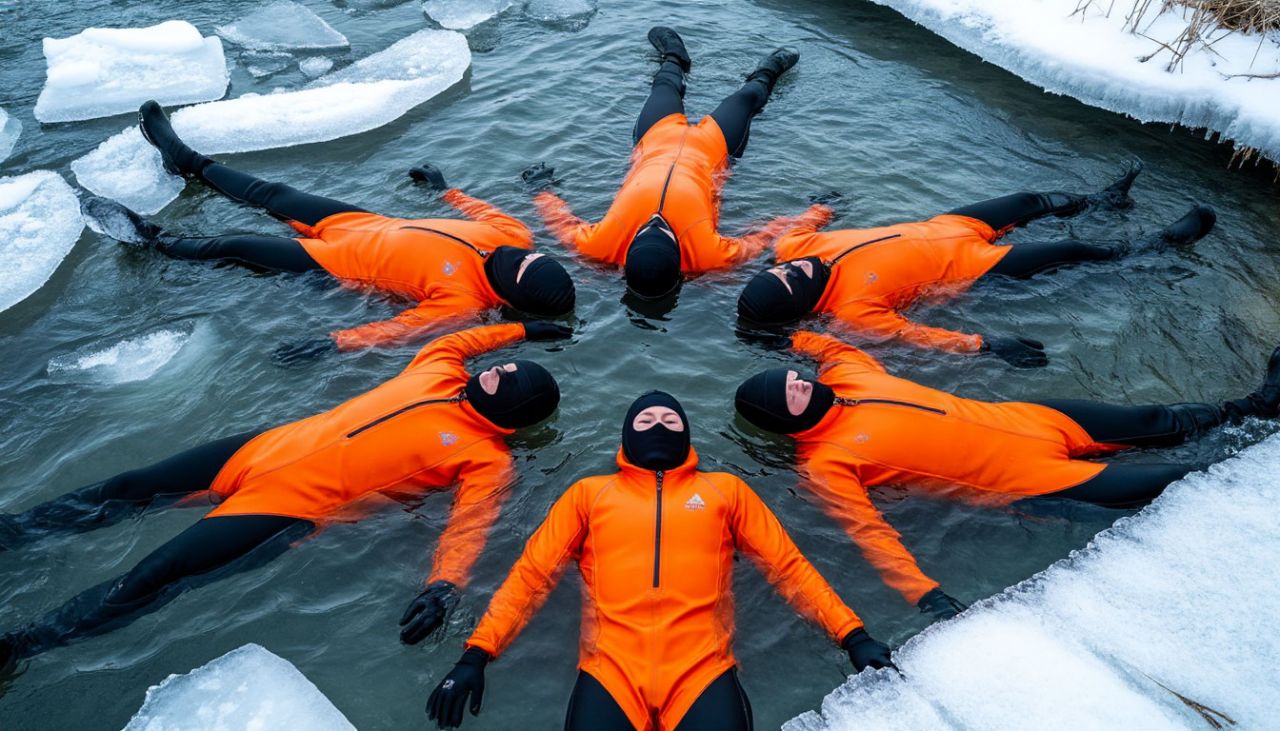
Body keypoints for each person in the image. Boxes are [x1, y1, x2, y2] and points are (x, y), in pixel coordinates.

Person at [0, 323, 570, 675]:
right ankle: (21, 530)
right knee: (129, 486)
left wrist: (444, 586)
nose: (496, 371)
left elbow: (470, 525)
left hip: (287, 508)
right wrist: (522, 330)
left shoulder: (486, 458)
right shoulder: (439, 372)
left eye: (508, 379)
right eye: (502, 367)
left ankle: (24, 645)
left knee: (156, 572)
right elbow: (458, 338)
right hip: (258, 451)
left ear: (514, 416)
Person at [425, 391, 893, 730]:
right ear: (627, 433)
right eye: (646, 419)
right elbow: (531, 577)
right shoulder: (589, 494)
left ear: (687, 434)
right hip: (609, 669)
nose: (658, 425)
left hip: (703, 668)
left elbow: (789, 568)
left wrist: (852, 635)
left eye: (670, 420)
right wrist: (476, 654)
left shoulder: (724, 491)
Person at [734, 331, 1280, 620]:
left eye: (796, 379)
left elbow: (834, 346)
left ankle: (1257, 406)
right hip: (1031, 480)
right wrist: (923, 594)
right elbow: (870, 534)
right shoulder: (826, 464)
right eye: (791, 392)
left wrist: (789, 337)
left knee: (1155, 421)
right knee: (1185, 479)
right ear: (783, 421)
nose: (801, 384)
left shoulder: (852, 376)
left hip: (1035, 419)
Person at [81, 101, 575, 361]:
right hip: (359, 222)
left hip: (330, 263)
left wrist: (336, 342)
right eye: (530, 258)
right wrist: (445, 191)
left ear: (510, 295)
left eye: (520, 270)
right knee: (270, 193)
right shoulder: (513, 237)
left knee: (232, 246)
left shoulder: (463, 304)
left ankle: (152, 240)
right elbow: (484, 213)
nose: (516, 257)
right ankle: (184, 159)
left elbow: (398, 330)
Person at [736, 162, 1218, 368]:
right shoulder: (853, 311)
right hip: (976, 263)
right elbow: (917, 336)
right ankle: (1158, 245)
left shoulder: (795, 249)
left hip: (949, 224)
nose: (785, 271)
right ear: (801, 305)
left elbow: (798, 225)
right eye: (785, 284)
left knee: (1030, 200)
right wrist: (986, 345)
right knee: (1072, 252)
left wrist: (821, 207)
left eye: (774, 273)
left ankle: (1103, 201)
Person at [532, 27, 817, 301]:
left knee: (664, 84)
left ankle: (675, 56)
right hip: (713, 147)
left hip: (655, 138)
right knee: (747, 98)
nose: (656, 220)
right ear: (679, 259)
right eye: (665, 231)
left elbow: (560, 222)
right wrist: (821, 211)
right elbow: (769, 235)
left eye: (646, 228)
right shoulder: (710, 255)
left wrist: (541, 187)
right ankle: (768, 70)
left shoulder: (600, 245)